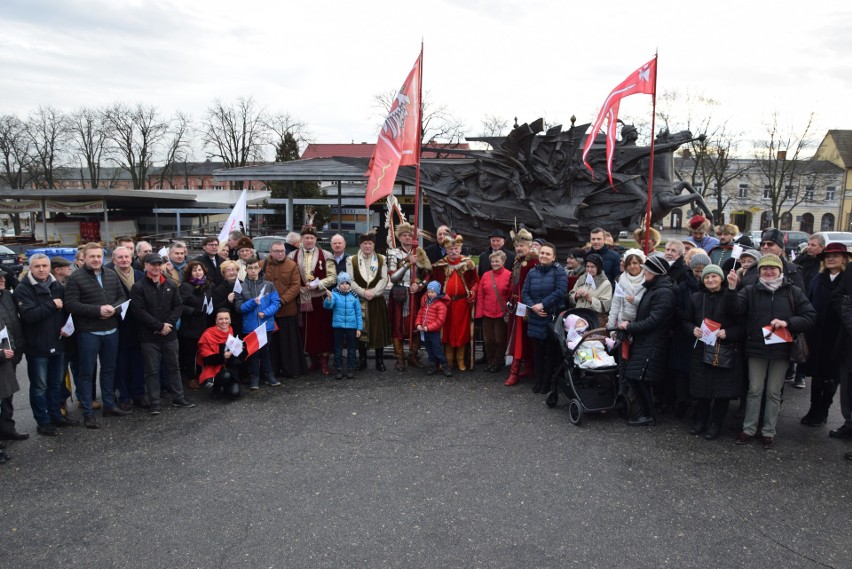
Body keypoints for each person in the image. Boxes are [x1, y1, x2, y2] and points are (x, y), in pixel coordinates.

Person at [725, 254, 815, 449]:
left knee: (774, 392)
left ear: (780, 271)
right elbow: (735, 310)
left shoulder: (793, 291)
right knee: (754, 390)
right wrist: (732, 289)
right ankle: (748, 429)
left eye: (772, 268)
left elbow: (810, 316)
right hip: (756, 349)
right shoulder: (750, 290)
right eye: (764, 268)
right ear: (759, 272)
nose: (768, 271)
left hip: (782, 350)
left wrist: (788, 323)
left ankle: (768, 431)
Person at [64, 243, 128, 428]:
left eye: (99, 256)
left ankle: (109, 405)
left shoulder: (111, 274)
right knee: (86, 373)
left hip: (111, 330)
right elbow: (71, 304)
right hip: (88, 332)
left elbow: (122, 297)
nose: (96, 259)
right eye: (92, 256)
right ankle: (88, 412)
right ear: (84, 257)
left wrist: (113, 309)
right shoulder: (76, 278)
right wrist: (97, 310)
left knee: (109, 369)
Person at [130, 253, 196, 414]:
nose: (156, 267)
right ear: (145, 266)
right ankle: (154, 402)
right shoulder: (138, 287)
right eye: (153, 264)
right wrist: (159, 326)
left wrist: (169, 324)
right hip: (149, 336)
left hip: (169, 334)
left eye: (159, 264)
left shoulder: (171, 285)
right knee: (151, 371)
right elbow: (139, 311)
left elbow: (178, 306)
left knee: (174, 367)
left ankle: (178, 398)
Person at [15, 254, 73, 435]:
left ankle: (56, 415)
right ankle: (43, 422)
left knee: (55, 383)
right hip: (37, 347)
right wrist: (52, 304)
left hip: (58, 342)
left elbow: (65, 310)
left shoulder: (57, 285)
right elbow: (29, 315)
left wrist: (67, 326)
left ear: (50, 267)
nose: (41, 269)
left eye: (44, 266)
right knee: (40, 387)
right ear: (30, 268)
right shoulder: (23, 289)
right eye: (37, 266)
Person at [684, 264, 744, 440]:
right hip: (702, 348)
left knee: (721, 392)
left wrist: (729, 333)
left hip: (723, 350)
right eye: (707, 277)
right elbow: (685, 320)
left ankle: (716, 424)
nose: (710, 280)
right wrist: (692, 329)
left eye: (714, 277)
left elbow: (741, 324)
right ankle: (700, 421)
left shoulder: (731, 297)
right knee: (701, 389)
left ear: (721, 279)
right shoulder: (696, 298)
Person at [617, 255, 676, 426]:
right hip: (645, 341)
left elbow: (654, 321)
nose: (644, 273)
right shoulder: (654, 289)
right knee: (634, 376)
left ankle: (648, 414)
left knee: (639, 377)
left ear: (655, 273)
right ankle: (646, 411)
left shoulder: (664, 292)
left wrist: (629, 327)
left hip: (653, 342)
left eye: (647, 270)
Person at [799, 243, 849, 426]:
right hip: (816, 333)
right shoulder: (818, 279)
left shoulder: (847, 279)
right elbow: (808, 301)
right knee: (817, 373)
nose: (831, 258)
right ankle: (813, 408)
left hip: (837, 335)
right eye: (828, 255)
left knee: (831, 374)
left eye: (836, 255)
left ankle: (823, 409)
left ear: (844, 259)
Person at [289, 225, 336, 375]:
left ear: (316, 239)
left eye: (311, 238)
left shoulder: (327, 255)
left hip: (320, 298)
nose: (309, 240)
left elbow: (333, 277)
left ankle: (324, 361)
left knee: (322, 330)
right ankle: (313, 360)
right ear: (301, 240)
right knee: (305, 330)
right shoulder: (292, 256)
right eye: (306, 238)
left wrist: (318, 284)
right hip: (301, 299)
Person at [522, 242, 567, 394]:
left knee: (550, 352)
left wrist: (543, 305)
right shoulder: (532, 272)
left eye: (548, 254)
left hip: (550, 316)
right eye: (542, 253)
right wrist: (533, 307)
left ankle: (547, 382)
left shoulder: (559, 272)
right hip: (535, 316)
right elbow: (525, 293)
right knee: (537, 352)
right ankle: (539, 380)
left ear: (553, 257)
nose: (544, 256)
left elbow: (560, 291)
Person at [386, 222, 431, 370]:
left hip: (415, 294)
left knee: (415, 325)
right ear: (399, 237)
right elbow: (392, 278)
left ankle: (413, 355)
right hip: (398, 293)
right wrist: (407, 263)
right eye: (404, 235)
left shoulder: (420, 252)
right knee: (397, 326)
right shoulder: (393, 253)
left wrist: (420, 285)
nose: (407, 237)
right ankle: (400, 358)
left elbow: (428, 274)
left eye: (409, 235)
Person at [430, 233, 479, 371]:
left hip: (463, 305)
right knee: (447, 332)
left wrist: (473, 291)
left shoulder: (468, 263)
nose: (454, 251)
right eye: (450, 249)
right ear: (446, 249)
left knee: (463, 333)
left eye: (456, 248)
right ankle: (449, 361)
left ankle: (461, 361)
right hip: (446, 305)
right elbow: (432, 282)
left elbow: (475, 281)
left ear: (460, 248)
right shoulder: (439, 266)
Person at [234, 257, 281, 390]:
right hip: (250, 327)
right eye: (250, 268)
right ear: (246, 269)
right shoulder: (241, 287)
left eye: (255, 268)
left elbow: (276, 303)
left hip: (266, 325)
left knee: (266, 351)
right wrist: (252, 303)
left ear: (259, 269)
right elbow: (239, 307)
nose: (253, 270)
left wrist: (266, 312)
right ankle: (254, 377)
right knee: (253, 354)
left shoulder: (269, 285)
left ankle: (269, 375)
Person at [109, 246, 146, 410]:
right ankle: (124, 396)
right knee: (121, 363)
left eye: (127, 257)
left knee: (138, 363)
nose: (124, 260)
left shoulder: (139, 275)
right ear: (114, 259)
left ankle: (138, 394)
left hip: (139, 325)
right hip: (119, 325)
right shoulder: (110, 276)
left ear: (131, 258)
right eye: (120, 257)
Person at [347, 232, 390, 371]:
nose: (367, 246)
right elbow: (350, 280)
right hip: (360, 299)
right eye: (364, 243)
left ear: (374, 245)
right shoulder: (351, 260)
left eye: (370, 243)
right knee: (361, 330)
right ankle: (363, 360)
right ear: (360, 244)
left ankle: (379, 360)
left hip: (376, 299)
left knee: (379, 331)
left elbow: (384, 279)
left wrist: (373, 292)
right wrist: (363, 292)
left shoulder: (381, 259)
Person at [264, 240, 305, 379]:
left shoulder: (292, 265)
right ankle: (272, 371)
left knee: (288, 343)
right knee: (272, 344)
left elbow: (295, 286)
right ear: (271, 252)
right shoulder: (262, 264)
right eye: (277, 251)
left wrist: (281, 301)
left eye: (282, 251)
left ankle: (290, 370)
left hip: (287, 310)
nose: (280, 253)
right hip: (268, 312)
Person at [505, 228, 538, 386]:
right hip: (516, 305)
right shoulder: (518, 261)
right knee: (519, 337)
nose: (519, 248)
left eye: (522, 246)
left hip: (526, 306)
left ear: (529, 246)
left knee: (522, 339)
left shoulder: (533, 262)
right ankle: (528, 367)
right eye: (517, 246)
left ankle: (516, 371)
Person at [178, 260, 215, 390]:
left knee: (203, 352)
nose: (197, 272)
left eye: (199, 270)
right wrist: (192, 311)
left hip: (206, 324)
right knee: (190, 354)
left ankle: (203, 375)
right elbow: (179, 305)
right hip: (190, 325)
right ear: (190, 273)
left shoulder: (209, 285)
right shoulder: (185, 286)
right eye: (194, 270)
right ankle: (191, 377)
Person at [0, 270, 27, 442]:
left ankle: (7, 429)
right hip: (2, 354)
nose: (2, 280)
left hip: (12, 353)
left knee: (7, 394)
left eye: (2, 277)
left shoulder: (7, 295)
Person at [475, 250, 511, 373]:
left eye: (497, 261)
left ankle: (497, 362)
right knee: (488, 340)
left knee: (499, 340)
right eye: (492, 261)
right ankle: (490, 361)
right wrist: (479, 313)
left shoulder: (509, 275)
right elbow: (480, 295)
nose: (494, 263)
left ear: (503, 262)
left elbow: (511, 295)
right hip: (487, 312)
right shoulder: (485, 275)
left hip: (501, 313)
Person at [323, 272, 362, 379]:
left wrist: (359, 328)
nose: (345, 285)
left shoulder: (354, 296)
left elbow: (358, 313)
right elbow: (327, 306)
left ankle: (351, 368)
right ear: (338, 284)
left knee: (351, 348)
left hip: (351, 326)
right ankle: (339, 368)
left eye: (347, 283)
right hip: (338, 326)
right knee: (338, 348)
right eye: (342, 283)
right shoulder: (334, 294)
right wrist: (329, 298)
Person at [197, 308, 242, 400]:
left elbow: (240, 357)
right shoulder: (208, 335)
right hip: (214, 369)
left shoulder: (234, 332)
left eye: (226, 318)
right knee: (226, 376)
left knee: (234, 394)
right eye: (221, 319)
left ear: (230, 320)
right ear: (216, 321)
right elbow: (206, 359)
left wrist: (239, 350)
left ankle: (226, 387)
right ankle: (216, 388)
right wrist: (222, 356)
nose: (224, 321)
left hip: (231, 368)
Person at [415, 281, 452, 377]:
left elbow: (440, 320)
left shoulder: (441, 305)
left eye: (432, 292)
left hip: (434, 332)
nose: (430, 294)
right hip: (425, 331)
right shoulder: (426, 302)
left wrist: (429, 327)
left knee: (437, 350)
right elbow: (420, 313)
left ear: (437, 292)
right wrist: (418, 324)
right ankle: (432, 366)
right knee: (429, 350)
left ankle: (445, 366)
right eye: (429, 291)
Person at [567, 253, 613, 325]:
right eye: (587, 266)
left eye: (592, 267)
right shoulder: (581, 278)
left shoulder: (605, 284)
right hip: (578, 318)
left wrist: (590, 299)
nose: (589, 269)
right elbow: (570, 296)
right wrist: (576, 296)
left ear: (599, 268)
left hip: (594, 320)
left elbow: (605, 307)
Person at [606, 249, 646, 331]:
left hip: (641, 323)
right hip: (623, 323)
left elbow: (649, 304)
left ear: (641, 264)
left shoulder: (648, 279)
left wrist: (635, 300)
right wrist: (611, 326)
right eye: (628, 264)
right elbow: (616, 303)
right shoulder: (621, 280)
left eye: (635, 263)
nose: (632, 266)